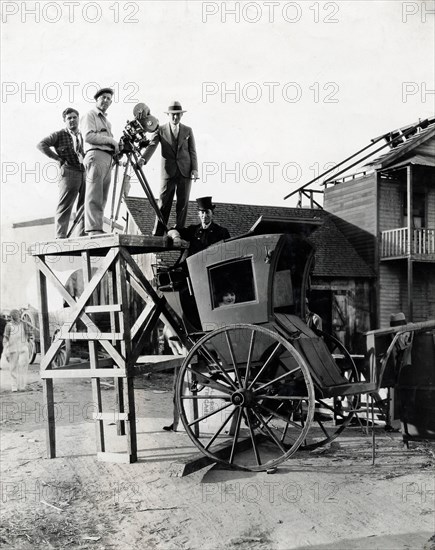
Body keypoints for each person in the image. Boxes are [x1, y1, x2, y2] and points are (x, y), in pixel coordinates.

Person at [140, 101, 198, 236]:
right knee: (163, 201)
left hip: (185, 170)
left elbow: (192, 151)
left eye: (178, 115)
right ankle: (159, 231)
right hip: (168, 171)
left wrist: (194, 169)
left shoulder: (188, 130)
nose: (175, 118)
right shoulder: (160, 129)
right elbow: (152, 145)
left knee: (183, 203)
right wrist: (143, 159)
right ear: (169, 115)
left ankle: (180, 230)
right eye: (173, 115)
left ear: (181, 115)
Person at [37, 108, 85, 238]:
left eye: (74, 117)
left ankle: (81, 234)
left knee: (85, 203)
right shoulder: (59, 134)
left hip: (84, 170)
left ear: (78, 119)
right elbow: (42, 144)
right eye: (69, 118)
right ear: (64, 121)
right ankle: (60, 236)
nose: (72, 120)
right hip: (69, 171)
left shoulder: (83, 134)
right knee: (65, 204)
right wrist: (58, 158)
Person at [81, 87, 119, 235]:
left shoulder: (107, 122)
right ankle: (93, 229)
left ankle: (97, 227)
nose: (106, 101)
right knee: (94, 194)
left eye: (109, 99)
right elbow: (88, 136)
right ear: (96, 99)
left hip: (107, 158)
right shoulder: (90, 115)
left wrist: (117, 147)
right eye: (103, 97)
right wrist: (110, 141)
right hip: (95, 155)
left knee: (102, 196)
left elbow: (110, 143)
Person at [3, 310, 33, 392]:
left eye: (17, 316)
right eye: (13, 317)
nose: (15, 318)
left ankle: (22, 386)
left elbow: (28, 334)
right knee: (13, 368)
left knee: (23, 366)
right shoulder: (8, 326)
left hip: (23, 348)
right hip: (12, 349)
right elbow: (6, 338)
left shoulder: (23, 324)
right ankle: (14, 386)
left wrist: (26, 341)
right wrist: (6, 350)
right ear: (11, 317)